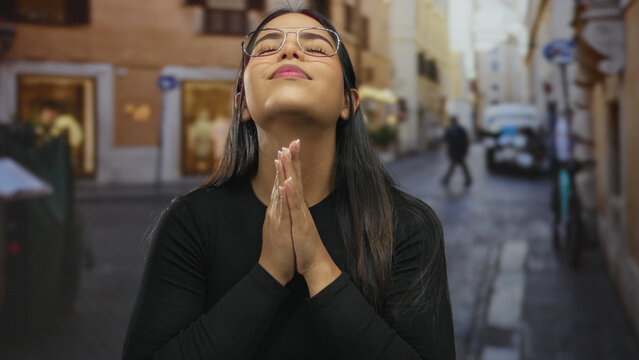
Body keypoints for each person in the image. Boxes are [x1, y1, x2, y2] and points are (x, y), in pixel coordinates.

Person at [122, 7, 455, 360]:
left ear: (349, 102)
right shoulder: (190, 221)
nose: (289, 50)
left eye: (315, 46)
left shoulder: (408, 226)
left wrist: (317, 267)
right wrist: (268, 274)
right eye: (266, 47)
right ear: (242, 105)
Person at [441, 116, 471, 187]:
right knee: (459, 167)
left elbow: (465, 142)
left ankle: (446, 179)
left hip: (459, 152)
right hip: (454, 152)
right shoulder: (450, 130)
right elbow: (446, 139)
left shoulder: (460, 130)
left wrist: (464, 151)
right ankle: (468, 179)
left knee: (456, 167)